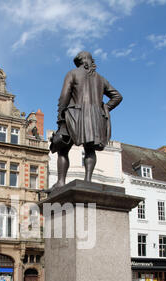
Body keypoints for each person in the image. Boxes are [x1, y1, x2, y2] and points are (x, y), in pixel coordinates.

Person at [50, 51, 123, 190]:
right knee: (90, 149)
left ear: (81, 62)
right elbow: (117, 96)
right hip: (96, 118)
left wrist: (60, 115)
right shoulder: (101, 79)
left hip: (74, 115)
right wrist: (104, 108)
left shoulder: (72, 73)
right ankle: (88, 180)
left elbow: (64, 96)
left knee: (63, 148)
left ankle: (61, 181)